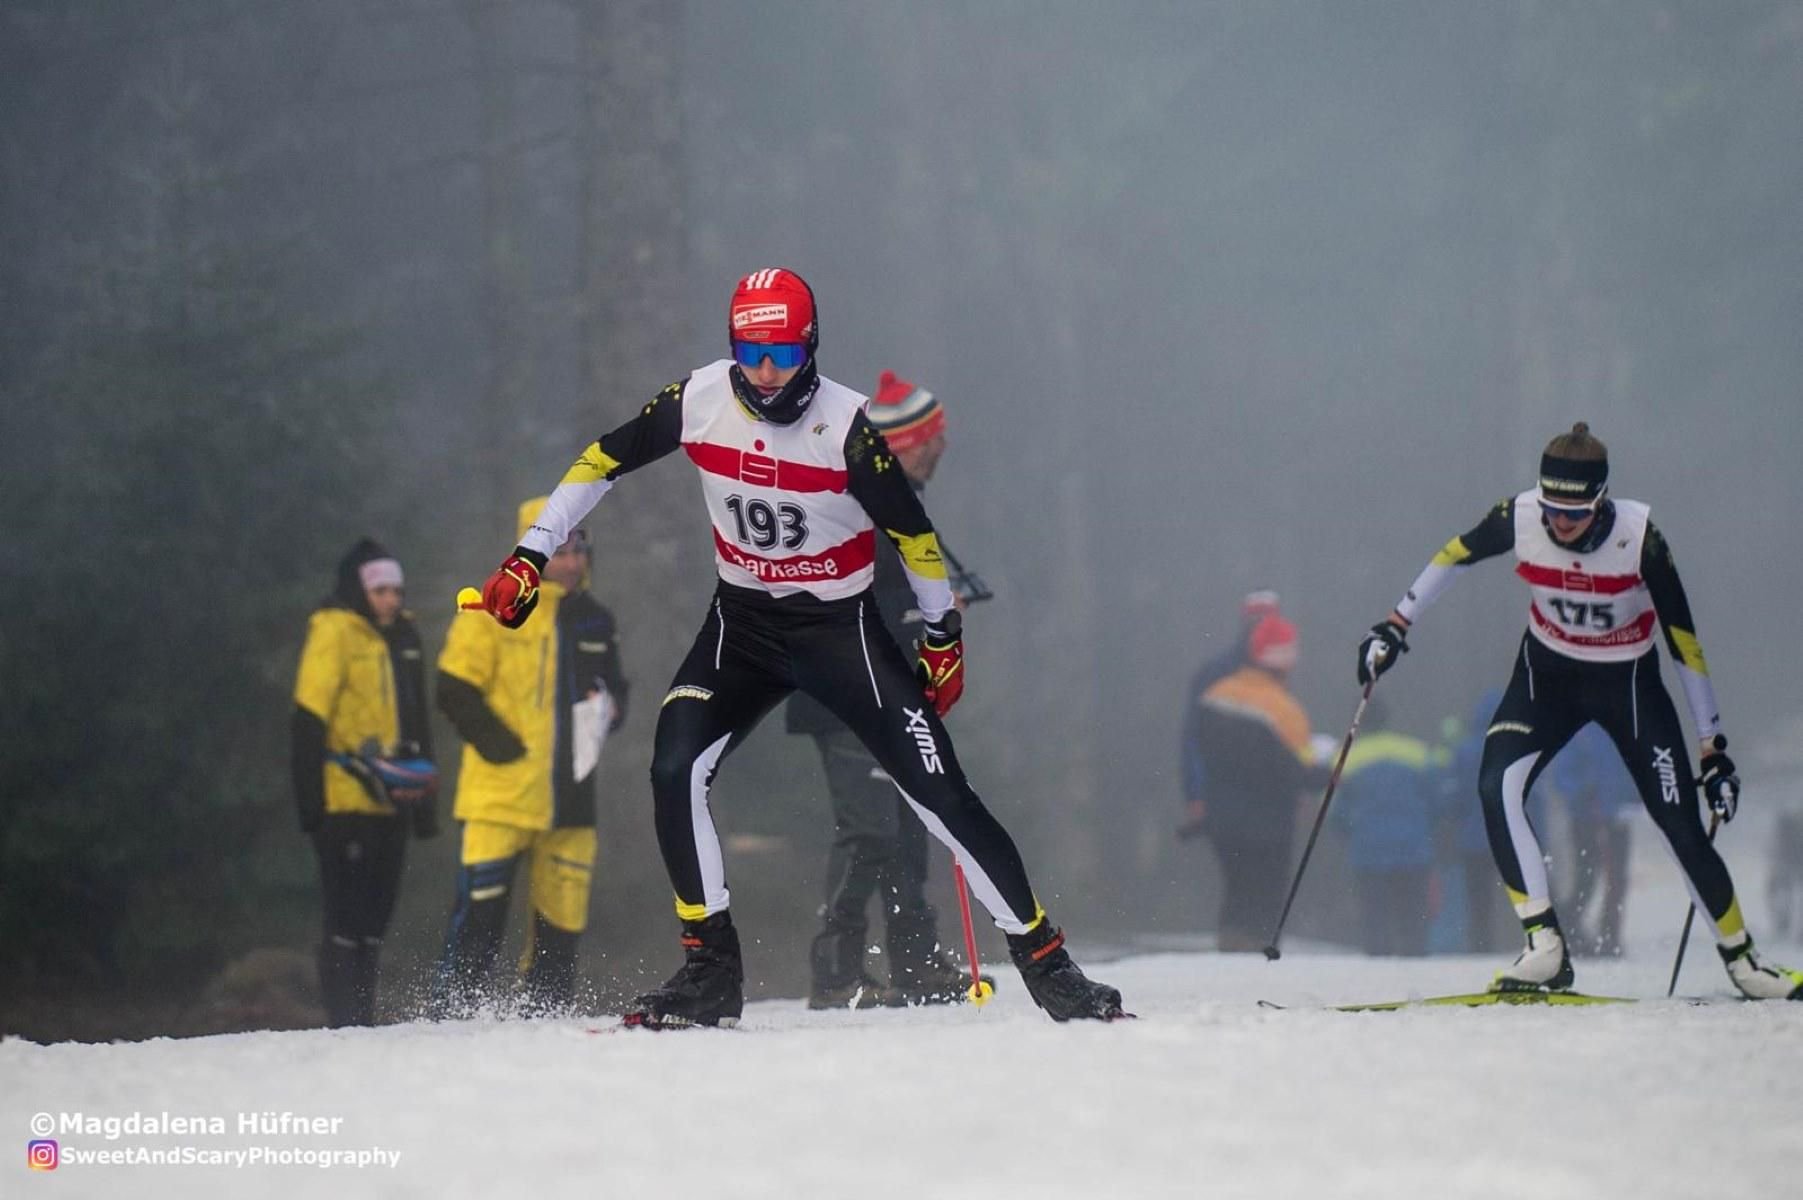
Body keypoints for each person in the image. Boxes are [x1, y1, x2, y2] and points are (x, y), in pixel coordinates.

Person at [469, 267, 1123, 1026]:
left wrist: (943, 638)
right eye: (750, 349)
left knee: (939, 794)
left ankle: (1048, 967)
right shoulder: (700, 398)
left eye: (781, 349)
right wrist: (529, 555)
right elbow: (598, 462)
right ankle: (709, 971)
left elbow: (913, 539)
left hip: (837, 632)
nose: (766, 369)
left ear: (809, 343)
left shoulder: (847, 428)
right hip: (741, 626)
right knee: (673, 766)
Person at [1357, 422, 1801, 998]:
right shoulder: (1520, 517)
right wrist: (1395, 625)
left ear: (1602, 501)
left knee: (1677, 822)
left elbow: (1684, 644)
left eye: (1575, 512)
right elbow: (1455, 555)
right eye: (1551, 509)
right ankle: (1545, 947)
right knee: (1494, 785)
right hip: (1549, 677)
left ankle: (1745, 964)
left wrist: (1712, 749)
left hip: (1629, 684)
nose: (1560, 524)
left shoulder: (1640, 539)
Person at [785, 370, 991, 1009]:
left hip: (889, 687)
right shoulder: (854, 501)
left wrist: (930, 611)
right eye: (934, 435)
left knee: (907, 824)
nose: (944, 445)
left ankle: (915, 960)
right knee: (869, 828)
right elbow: (845, 596)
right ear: (903, 443)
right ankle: (836, 971)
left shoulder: (892, 501)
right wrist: (922, 613)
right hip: (845, 690)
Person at [432, 499, 628, 1016]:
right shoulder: (490, 607)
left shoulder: (597, 621)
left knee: (561, 927)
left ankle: (545, 1019)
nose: (570, 561)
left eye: (578, 549)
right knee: (480, 917)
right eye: (559, 549)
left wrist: (609, 709)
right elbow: (453, 688)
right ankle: (453, 1015)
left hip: (572, 800)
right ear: (533, 547)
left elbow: (619, 693)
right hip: (500, 795)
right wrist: (502, 748)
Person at [290, 538, 439, 1027]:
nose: (392, 600)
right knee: (345, 917)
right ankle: (342, 1021)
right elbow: (309, 718)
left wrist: (425, 807)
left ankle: (362, 1017)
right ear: (359, 589)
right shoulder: (334, 632)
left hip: (393, 796)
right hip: (342, 798)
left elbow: (418, 719)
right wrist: (310, 803)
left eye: (396, 590)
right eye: (381, 591)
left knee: (376, 919)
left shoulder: (403, 637)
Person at [1185, 614, 1313, 951]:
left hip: (1223, 818)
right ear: (1285, 660)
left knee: (1236, 888)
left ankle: (1230, 947)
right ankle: (1259, 954)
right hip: (1271, 823)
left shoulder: (1216, 694)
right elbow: (1299, 769)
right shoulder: (1286, 710)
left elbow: (1196, 747)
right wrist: (1327, 775)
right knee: (1266, 892)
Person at [1329, 697, 1447, 957]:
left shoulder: (1345, 757)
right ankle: (1415, 958)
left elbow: (1337, 812)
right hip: (1413, 847)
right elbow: (1437, 801)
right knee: (1413, 912)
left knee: (1374, 913)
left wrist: (1350, 834)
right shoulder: (1416, 751)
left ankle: (1377, 960)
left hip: (1368, 850)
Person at [1178, 590, 1280, 829]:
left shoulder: (1278, 673)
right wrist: (1196, 794)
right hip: (1225, 794)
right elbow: (1194, 737)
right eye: (1257, 621)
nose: (1263, 629)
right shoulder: (1216, 673)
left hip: (1268, 801)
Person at [1546, 723, 1638, 956]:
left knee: (1617, 878)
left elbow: (1632, 768)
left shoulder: (1623, 727)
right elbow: (1562, 774)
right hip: (1586, 815)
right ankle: (1570, 930)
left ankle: (1609, 935)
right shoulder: (1580, 730)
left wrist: (1633, 797)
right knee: (1587, 876)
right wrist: (1580, 792)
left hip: (1617, 814)